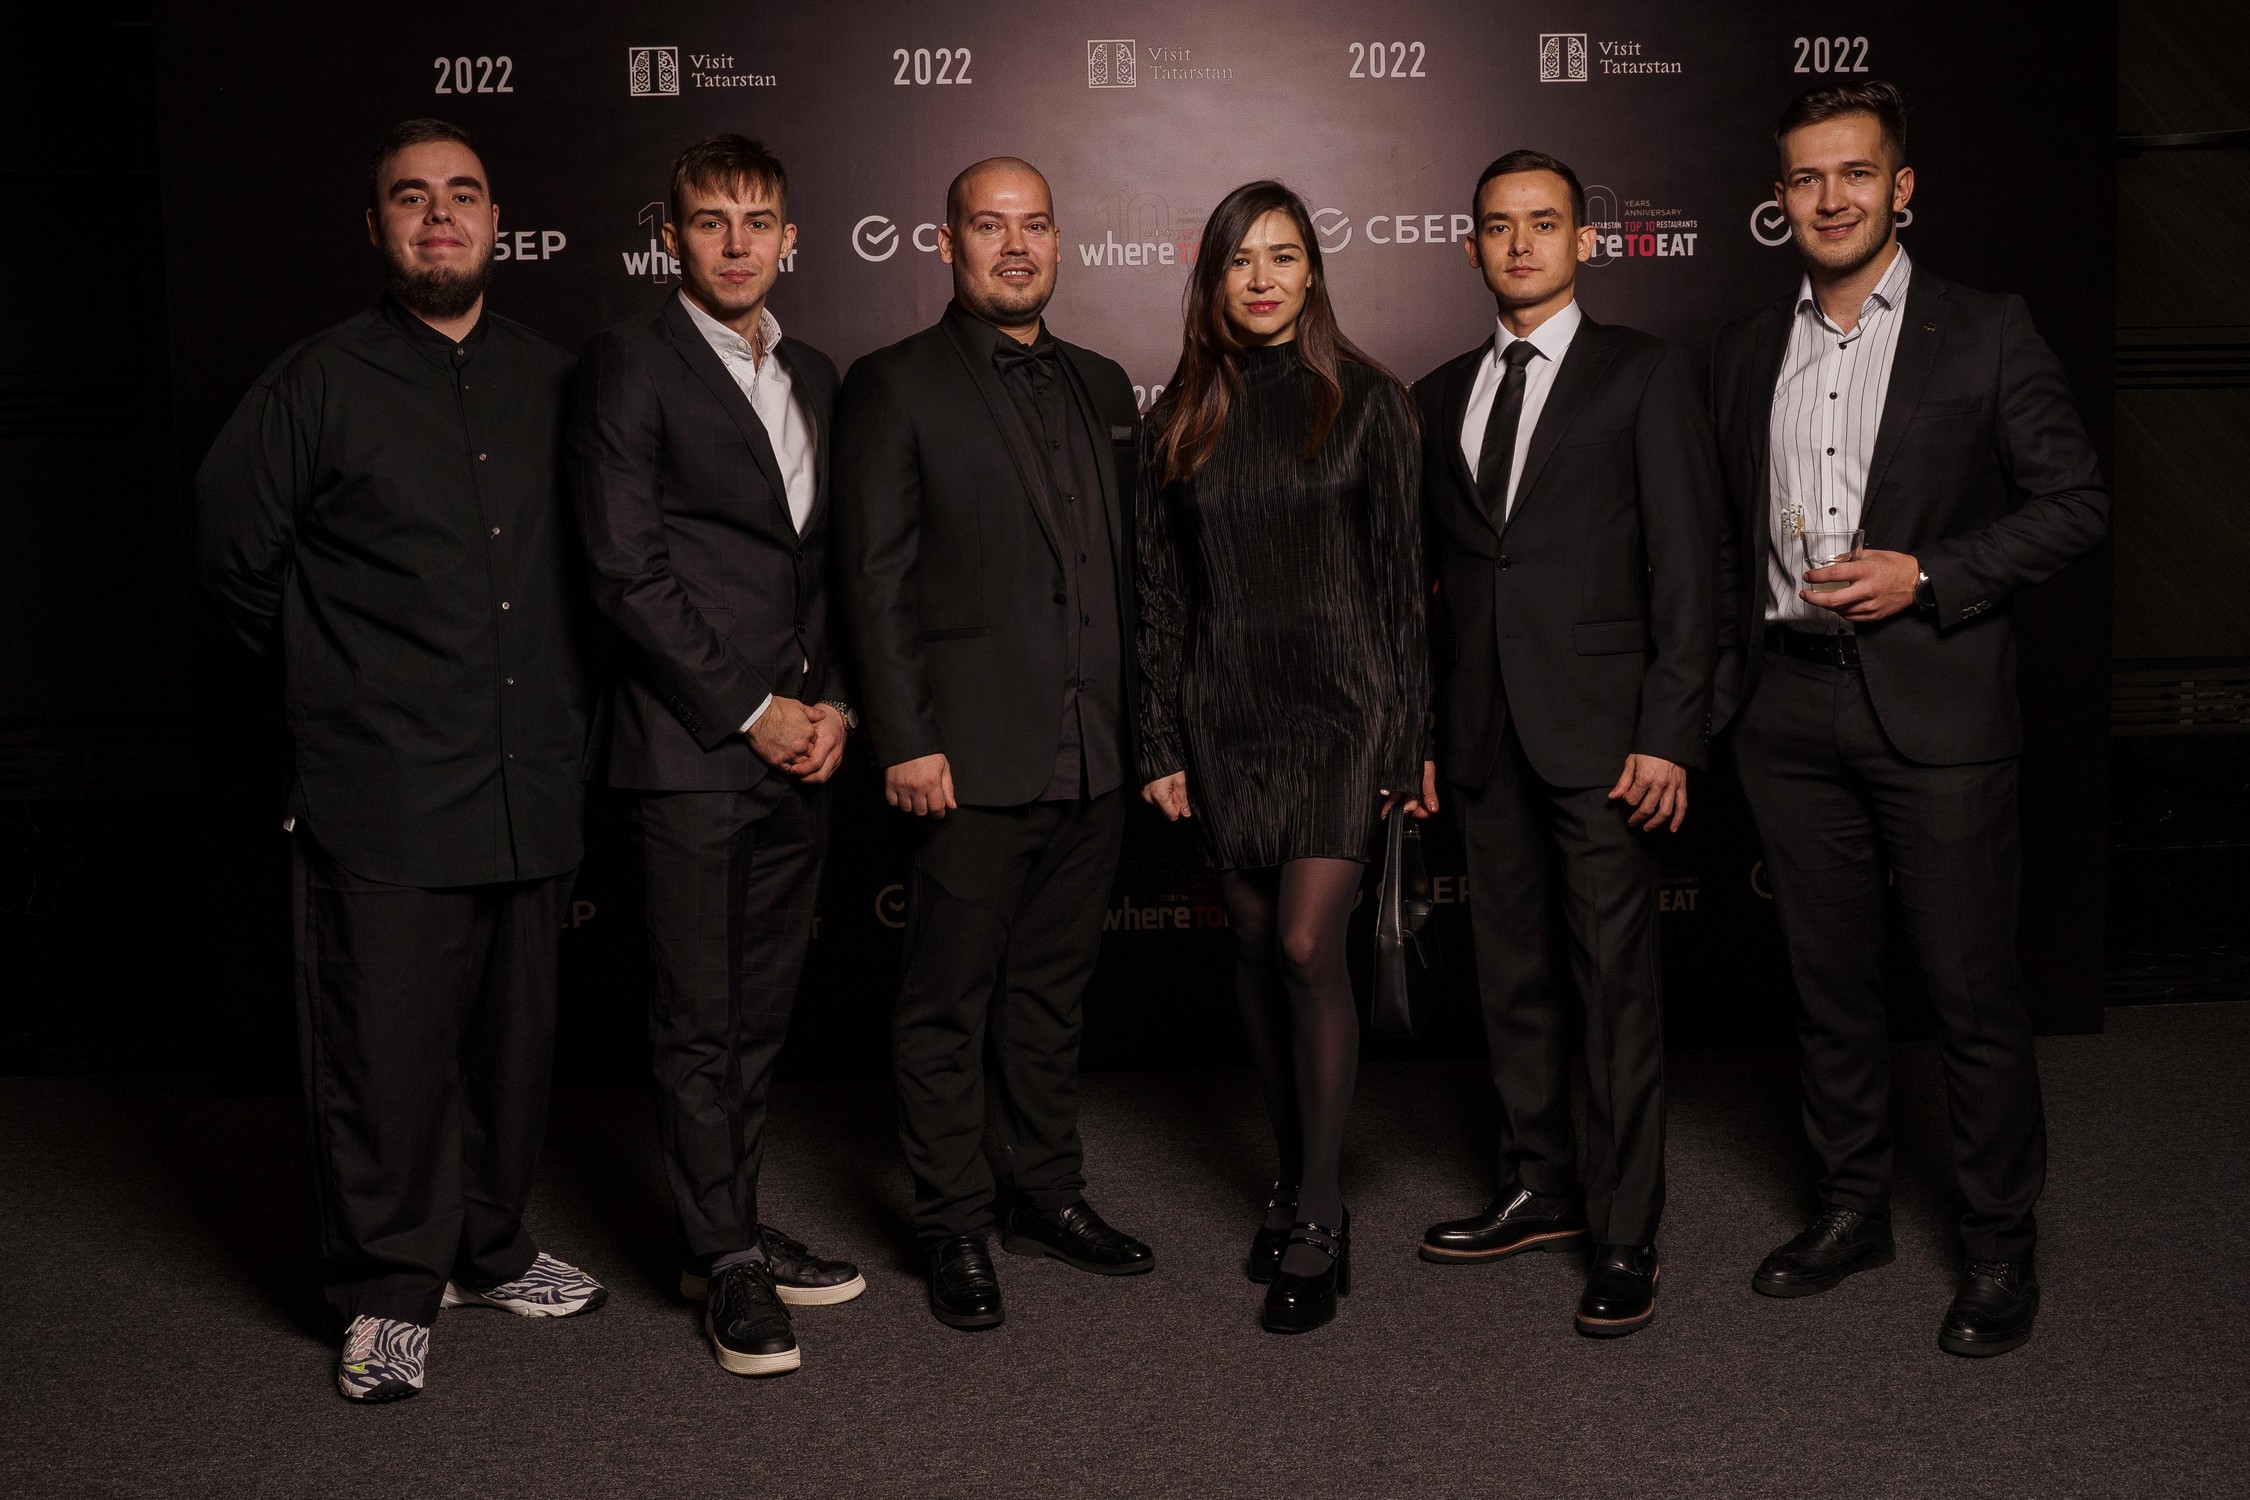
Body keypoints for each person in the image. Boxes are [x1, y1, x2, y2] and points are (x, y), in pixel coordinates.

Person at [196, 119, 604, 1404]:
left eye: (462, 194)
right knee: (382, 1054)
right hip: (381, 787)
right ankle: (386, 1291)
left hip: (529, 779)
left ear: (496, 223)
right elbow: (232, 560)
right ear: (375, 226)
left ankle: (489, 1248)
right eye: (412, 197)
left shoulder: (559, 379)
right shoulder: (313, 384)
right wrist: (344, 687)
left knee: (512, 1046)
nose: (440, 215)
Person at [1710, 82, 2108, 1357]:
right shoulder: (1743, 352)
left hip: (1935, 702)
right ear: (1780, 198)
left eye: (1854, 174)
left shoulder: (1985, 329)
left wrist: (1928, 575)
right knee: (1827, 985)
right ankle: (1851, 1207)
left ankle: (1997, 1244)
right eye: (1805, 178)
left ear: (1901, 187)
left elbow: (2075, 503)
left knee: (1970, 991)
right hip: (1786, 704)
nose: (1830, 198)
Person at [833, 157, 1153, 1330]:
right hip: (963, 759)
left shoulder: (1104, 383)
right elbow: (871, 580)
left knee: (1051, 997)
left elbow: (1127, 574)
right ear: (948, 243)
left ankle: (1046, 1194)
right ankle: (954, 1222)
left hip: (1093, 753)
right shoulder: (893, 383)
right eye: (989, 225)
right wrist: (905, 740)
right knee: (946, 1004)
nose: (1014, 246)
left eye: (1034, 226)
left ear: (1060, 244)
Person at [567, 135, 864, 1378]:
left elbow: (829, 565)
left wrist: (834, 703)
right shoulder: (626, 362)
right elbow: (622, 569)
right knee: (698, 1017)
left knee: (759, 1014)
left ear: (789, 236)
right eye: (710, 222)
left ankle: (720, 1229)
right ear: (670, 239)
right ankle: (729, 1260)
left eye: (757, 222)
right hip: (690, 747)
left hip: (803, 748)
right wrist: (753, 709)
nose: (736, 245)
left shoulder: (817, 372)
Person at [1412, 151, 1720, 1339]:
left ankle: (1626, 1229)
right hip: (1483, 735)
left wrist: (1670, 732)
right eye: (1499, 226)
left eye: (1544, 223)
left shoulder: (1644, 373)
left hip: (1607, 739)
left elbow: (1689, 563)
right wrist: (1424, 734)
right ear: (1471, 246)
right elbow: (1428, 590)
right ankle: (1538, 1184)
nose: (1521, 243)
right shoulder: (1439, 392)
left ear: (1585, 240)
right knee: (1513, 979)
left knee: (1613, 987)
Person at [1137, 181, 1428, 1336]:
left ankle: (1319, 1207)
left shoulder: (1369, 401)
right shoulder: (1178, 418)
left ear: (1313, 272)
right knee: (1257, 947)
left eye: (1284, 256)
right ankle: (1288, 1173)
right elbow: (1161, 598)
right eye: (1239, 259)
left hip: (1344, 707)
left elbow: (1403, 591)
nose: (1262, 278)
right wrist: (1161, 737)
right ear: (1212, 279)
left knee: (1309, 943)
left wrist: (1409, 739)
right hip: (1227, 709)